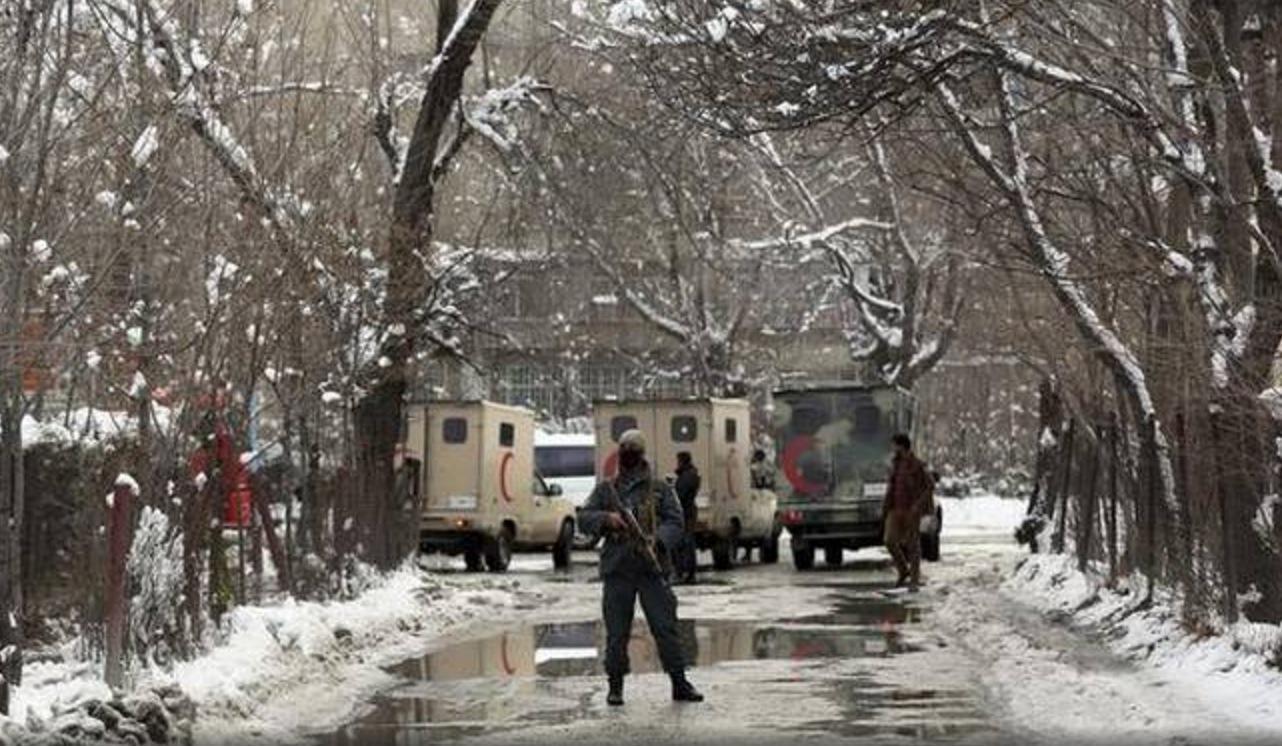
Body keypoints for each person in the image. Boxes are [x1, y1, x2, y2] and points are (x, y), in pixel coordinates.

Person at [578, 430, 705, 707]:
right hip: (618, 569)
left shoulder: (659, 489)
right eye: (624, 448)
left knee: (665, 628)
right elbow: (583, 518)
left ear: (642, 453)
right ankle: (615, 687)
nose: (628, 453)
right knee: (616, 633)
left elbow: (675, 521)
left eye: (633, 448)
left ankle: (679, 683)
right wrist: (606, 519)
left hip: (651, 568)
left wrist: (659, 542)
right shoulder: (607, 490)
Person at [882, 433, 933, 590]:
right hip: (895, 509)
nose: (893, 448)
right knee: (889, 540)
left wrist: (918, 505)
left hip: (911, 510)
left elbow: (930, 486)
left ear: (901, 446)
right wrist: (886, 506)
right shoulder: (895, 464)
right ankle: (903, 570)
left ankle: (914, 580)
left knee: (913, 544)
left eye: (895, 445)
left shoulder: (917, 465)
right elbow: (892, 486)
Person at [673, 451, 701, 584]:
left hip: (686, 512)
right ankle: (686, 572)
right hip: (687, 511)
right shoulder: (689, 474)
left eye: (678, 461)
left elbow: (681, 494)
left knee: (686, 543)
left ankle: (686, 572)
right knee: (685, 542)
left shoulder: (688, 475)